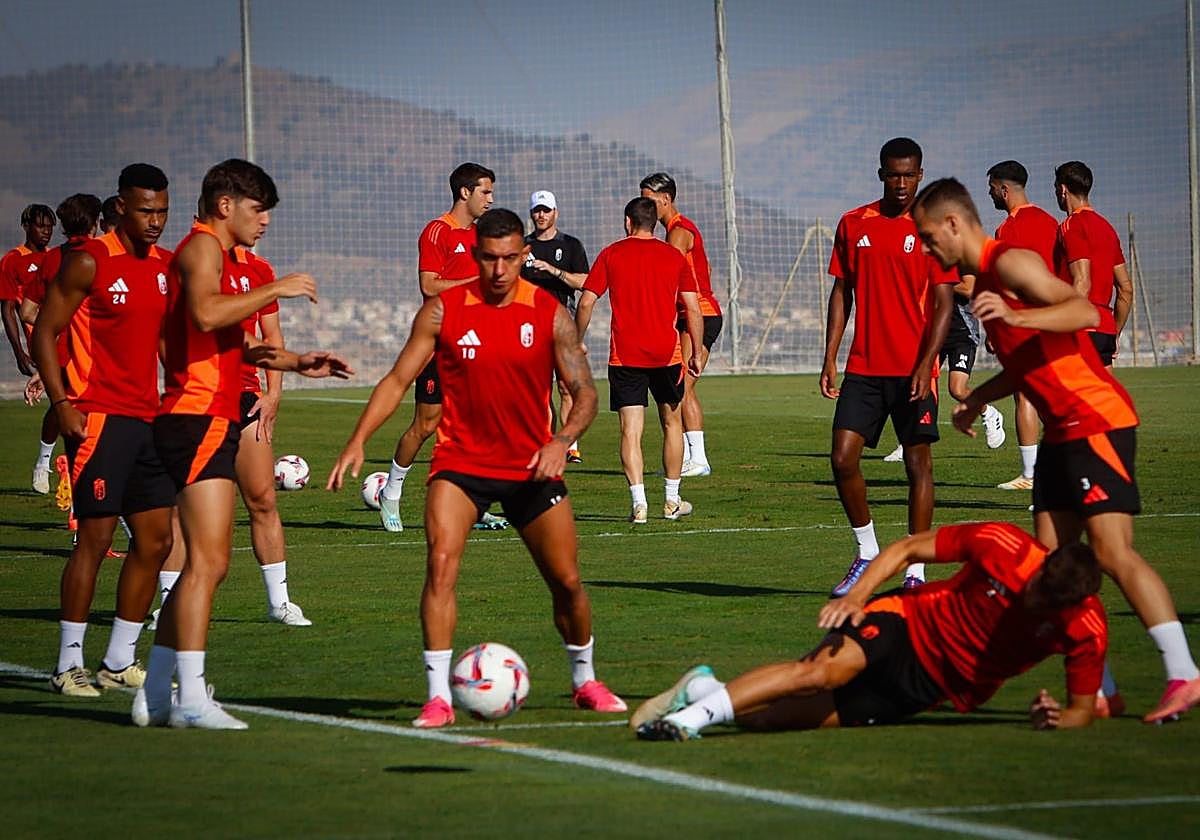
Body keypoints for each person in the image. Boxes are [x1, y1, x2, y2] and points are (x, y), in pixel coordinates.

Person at [912, 176, 1200, 723]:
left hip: (1096, 420)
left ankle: (1184, 674)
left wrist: (1020, 315)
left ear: (953, 224)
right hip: (1060, 433)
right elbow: (1027, 362)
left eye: (930, 238)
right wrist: (976, 399)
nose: (930, 250)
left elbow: (1085, 312)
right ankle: (1100, 690)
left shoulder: (1013, 263)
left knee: (1112, 554)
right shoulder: (988, 282)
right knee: (1048, 563)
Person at [328, 207, 626, 728]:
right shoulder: (443, 312)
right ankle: (438, 698)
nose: (499, 270)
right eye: (489, 259)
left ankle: (585, 680)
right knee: (441, 567)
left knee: (568, 581)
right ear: (476, 256)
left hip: (532, 466)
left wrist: (562, 440)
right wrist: (358, 440)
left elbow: (584, 392)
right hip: (459, 464)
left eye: (510, 258)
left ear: (523, 255)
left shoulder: (548, 313)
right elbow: (398, 380)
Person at [135, 159, 351, 730]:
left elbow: (239, 345)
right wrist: (275, 287)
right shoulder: (203, 248)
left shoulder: (223, 258)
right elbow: (206, 315)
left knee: (200, 566)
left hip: (207, 418)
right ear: (225, 204)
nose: (264, 223)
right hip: (197, 417)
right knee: (209, 560)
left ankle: (156, 692)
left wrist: (299, 363)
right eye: (258, 211)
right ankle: (190, 697)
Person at [634, 522, 1106, 740]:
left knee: (767, 719)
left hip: (931, 686)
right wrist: (857, 596)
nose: (1034, 603)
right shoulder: (1004, 544)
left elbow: (1083, 710)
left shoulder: (1086, 629)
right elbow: (906, 550)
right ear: (1043, 565)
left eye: (1048, 606)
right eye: (1037, 590)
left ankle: (701, 688)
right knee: (820, 674)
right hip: (906, 622)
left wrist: (1057, 717)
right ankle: (683, 723)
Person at [30, 167, 176, 697]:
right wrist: (62, 401)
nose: (156, 221)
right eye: (145, 211)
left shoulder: (165, 267)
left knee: (157, 540)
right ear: (120, 206)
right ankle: (68, 663)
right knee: (95, 538)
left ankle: (118, 660)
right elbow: (46, 330)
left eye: (162, 210)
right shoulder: (89, 260)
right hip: (97, 418)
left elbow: (166, 342)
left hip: (148, 420)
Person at [820, 138, 956, 595]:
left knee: (918, 465)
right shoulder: (853, 223)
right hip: (864, 368)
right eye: (893, 174)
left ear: (920, 174)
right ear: (881, 173)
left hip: (914, 370)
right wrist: (830, 356)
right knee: (842, 459)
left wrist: (927, 364)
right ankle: (867, 553)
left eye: (909, 174)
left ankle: (915, 569)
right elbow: (842, 294)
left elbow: (943, 306)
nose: (901, 183)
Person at [151, 242, 311, 627]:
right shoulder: (195, 263)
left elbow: (272, 336)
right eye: (254, 210)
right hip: (200, 402)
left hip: (245, 400)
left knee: (262, 500)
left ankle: (280, 603)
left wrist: (273, 393)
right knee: (181, 509)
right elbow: (165, 333)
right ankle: (170, 604)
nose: (262, 223)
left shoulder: (259, 269)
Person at [378, 162, 507, 533]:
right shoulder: (437, 232)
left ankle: (474, 506)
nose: (491, 199)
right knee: (425, 425)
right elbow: (430, 286)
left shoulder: (482, 236)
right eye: (486, 191)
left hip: (477, 346)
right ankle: (391, 494)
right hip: (441, 345)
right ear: (465, 192)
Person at [575, 197, 703, 523]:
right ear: (653, 223)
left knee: (630, 432)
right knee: (671, 424)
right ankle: (672, 500)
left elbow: (587, 301)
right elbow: (692, 306)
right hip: (667, 355)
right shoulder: (673, 256)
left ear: (628, 222)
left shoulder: (611, 253)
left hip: (625, 357)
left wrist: (576, 340)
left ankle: (639, 503)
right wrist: (697, 351)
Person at [640, 173, 722, 477]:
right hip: (690, 315)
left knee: (682, 386)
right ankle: (691, 456)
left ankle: (698, 459)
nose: (643, 205)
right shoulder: (675, 231)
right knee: (681, 387)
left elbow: (666, 273)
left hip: (699, 316)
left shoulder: (679, 231)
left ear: (666, 199)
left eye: (648, 199)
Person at [986, 160, 1060, 494]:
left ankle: (1032, 473)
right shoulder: (1051, 223)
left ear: (1004, 188)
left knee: (1025, 396)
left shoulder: (1008, 229)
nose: (990, 194)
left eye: (991, 188)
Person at [21, 195, 102, 495]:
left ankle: (56, 469)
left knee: (66, 412)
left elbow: (28, 311)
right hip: (87, 354)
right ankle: (63, 475)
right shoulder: (102, 255)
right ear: (96, 223)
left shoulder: (54, 258)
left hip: (69, 352)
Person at [521, 189, 590, 463]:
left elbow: (584, 281)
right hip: (531, 325)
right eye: (537, 210)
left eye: (546, 210)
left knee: (565, 385)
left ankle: (570, 445)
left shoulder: (570, 245)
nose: (541, 215)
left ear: (555, 213)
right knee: (539, 387)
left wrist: (553, 270)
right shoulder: (522, 246)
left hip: (563, 323)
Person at [1053, 161, 1133, 369]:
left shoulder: (1071, 226)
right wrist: (1114, 332)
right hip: (1104, 330)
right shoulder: (1107, 229)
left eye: (1055, 189)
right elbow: (1126, 289)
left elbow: (1082, 281)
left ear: (1062, 190)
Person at [1, 204, 54, 379]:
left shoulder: (56, 257)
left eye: (49, 227)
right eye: (41, 226)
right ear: (26, 226)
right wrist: (19, 352)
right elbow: (7, 309)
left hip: (67, 336)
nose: (46, 231)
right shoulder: (13, 260)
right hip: (40, 342)